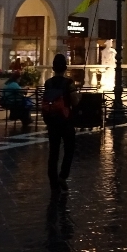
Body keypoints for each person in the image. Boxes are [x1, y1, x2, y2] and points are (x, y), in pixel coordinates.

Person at [42, 54, 79, 195]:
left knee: (53, 152)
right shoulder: (69, 83)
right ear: (65, 67)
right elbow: (75, 101)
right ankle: (63, 176)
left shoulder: (48, 83)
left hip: (51, 120)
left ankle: (53, 183)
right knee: (69, 149)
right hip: (66, 120)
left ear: (53, 68)